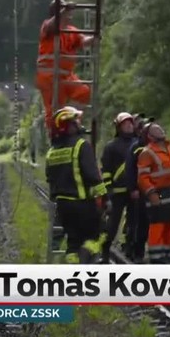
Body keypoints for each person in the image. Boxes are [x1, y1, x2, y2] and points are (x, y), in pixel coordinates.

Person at [44, 106, 108, 264]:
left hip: (63, 207)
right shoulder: (81, 145)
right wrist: (105, 199)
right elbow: (93, 176)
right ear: (68, 126)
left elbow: (50, 178)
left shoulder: (51, 152)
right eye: (75, 121)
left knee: (73, 243)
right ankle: (87, 258)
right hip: (82, 204)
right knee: (100, 234)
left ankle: (73, 271)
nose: (79, 124)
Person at [36, 0, 95, 135]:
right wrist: (65, 10)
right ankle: (54, 133)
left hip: (66, 74)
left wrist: (94, 38)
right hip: (48, 75)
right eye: (65, 12)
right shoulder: (47, 27)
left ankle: (70, 120)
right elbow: (54, 24)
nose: (69, 15)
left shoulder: (71, 30)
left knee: (84, 93)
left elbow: (83, 41)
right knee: (52, 108)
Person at [137, 123, 170, 264]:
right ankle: (156, 256)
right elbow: (142, 177)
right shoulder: (147, 152)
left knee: (169, 222)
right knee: (158, 224)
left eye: (160, 128)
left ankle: (167, 252)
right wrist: (151, 193)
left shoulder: (168, 148)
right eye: (155, 130)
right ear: (150, 136)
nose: (160, 130)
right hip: (158, 193)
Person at [99, 112, 136, 263]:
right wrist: (108, 192)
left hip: (135, 192)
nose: (129, 126)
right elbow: (106, 171)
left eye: (131, 123)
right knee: (112, 225)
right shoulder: (111, 146)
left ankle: (130, 250)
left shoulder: (138, 143)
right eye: (125, 124)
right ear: (119, 127)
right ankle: (105, 252)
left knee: (134, 224)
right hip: (117, 193)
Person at [124, 114, 152, 263]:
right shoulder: (135, 147)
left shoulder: (155, 146)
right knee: (138, 222)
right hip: (140, 191)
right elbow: (130, 169)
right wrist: (132, 188)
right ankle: (135, 251)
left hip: (153, 189)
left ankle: (153, 252)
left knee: (150, 222)